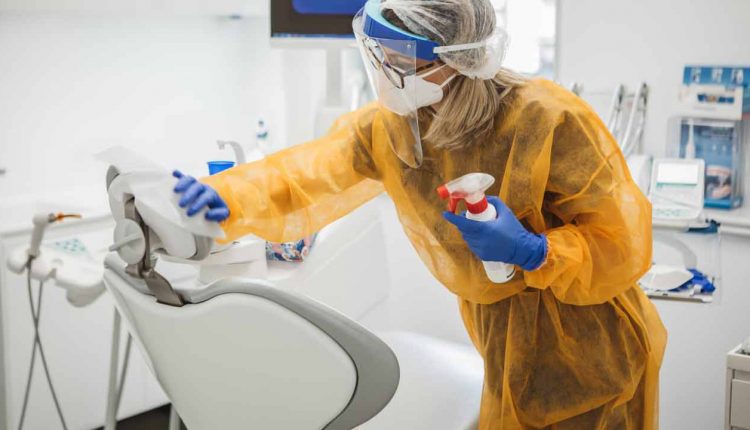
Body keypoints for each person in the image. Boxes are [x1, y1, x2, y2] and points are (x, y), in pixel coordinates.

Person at [173, 0, 667, 428]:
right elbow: (307, 173)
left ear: (458, 58)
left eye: (401, 56)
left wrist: (535, 251)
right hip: (503, 347)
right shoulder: (397, 128)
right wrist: (230, 195)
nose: (387, 67)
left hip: (593, 349)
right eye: (380, 53)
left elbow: (622, 242)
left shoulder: (548, 118)